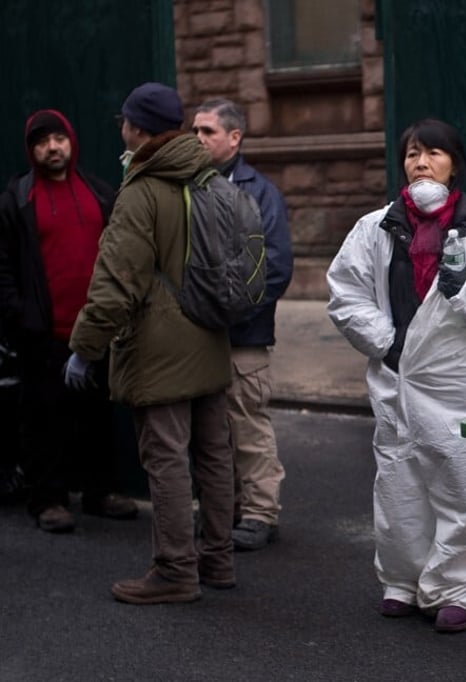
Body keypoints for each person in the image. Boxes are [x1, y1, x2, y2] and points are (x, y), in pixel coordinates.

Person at [326, 118, 466, 633]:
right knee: (399, 487)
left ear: (453, 164)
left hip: (462, 388)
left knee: (465, 488)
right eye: (413, 153)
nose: (421, 162)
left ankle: (457, 589)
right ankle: (402, 581)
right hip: (397, 381)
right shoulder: (375, 229)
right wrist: (388, 343)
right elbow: (346, 294)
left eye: (433, 153)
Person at [66, 82, 236, 604]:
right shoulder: (211, 179)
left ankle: (175, 571)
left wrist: (84, 346)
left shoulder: (141, 191)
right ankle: (218, 561)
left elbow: (116, 283)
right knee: (213, 455)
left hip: (160, 349)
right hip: (210, 337)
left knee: (165, 459)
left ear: (136, 128)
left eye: (125, 121)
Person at [0, 109, 138, 531]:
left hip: (96, 330)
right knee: (43, 420)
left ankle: (101, 492)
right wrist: (22, 316)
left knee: (98, 417)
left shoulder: (98, 192)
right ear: (31, 150)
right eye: (42, 141)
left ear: (71, 141)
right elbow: (3, 266)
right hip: (43, 334)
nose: (52, 147)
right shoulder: (17, 198)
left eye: (58, 138)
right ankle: (48, 500)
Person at [191, 98, 293, 551]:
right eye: (194, 130)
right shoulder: (190, 188)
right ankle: (221, 510)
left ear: (235, 137)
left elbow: (274, 267)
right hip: (199, 336)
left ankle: (259, 514)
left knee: (248, 426)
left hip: (243, 336)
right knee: (210, 431)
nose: (198, 139)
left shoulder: (259, 191)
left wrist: (230, 313)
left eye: (207, 131)